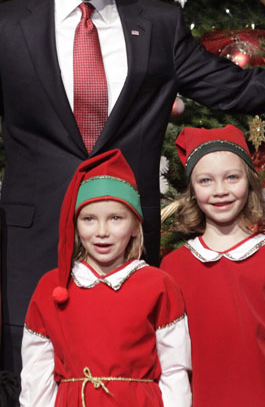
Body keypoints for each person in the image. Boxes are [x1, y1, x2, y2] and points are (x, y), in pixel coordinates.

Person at [0, 0, 265, 374]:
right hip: (31, 249)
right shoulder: (8, 28)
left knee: (127, 379)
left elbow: (242, 92)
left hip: (128, 246)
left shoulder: (158, 25)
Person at [20, 149, 192, 407]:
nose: (102, 232)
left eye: (115, 218)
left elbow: (175, 370)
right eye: (89, 219)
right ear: (75, 224)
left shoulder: (158, 285)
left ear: (135, 226)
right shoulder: (52, 286)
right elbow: (36, 373)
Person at [160, 125, 265, 407]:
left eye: (232, 177)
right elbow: (169, 355)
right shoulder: (174, 266)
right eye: (206, 181)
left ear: (249, 181)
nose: (220, 191)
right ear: (191, 190)